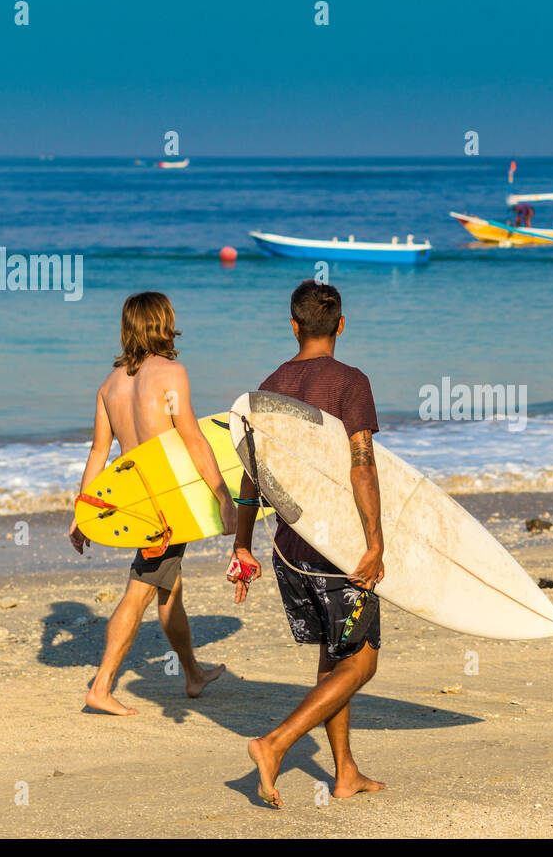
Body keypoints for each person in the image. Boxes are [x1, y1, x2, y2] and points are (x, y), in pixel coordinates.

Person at [228, 279, 385, 807]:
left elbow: (253, 470)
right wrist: (375, 542)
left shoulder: (269, 385)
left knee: (333, 657)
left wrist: (243, 545)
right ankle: (275, 744)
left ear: (294, 327)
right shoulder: (350, 381)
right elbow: (361, 465)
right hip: (335, 547)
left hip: (287, 548)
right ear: (340, 325)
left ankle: (344, 773)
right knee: (362, 663)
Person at [69, 291, 235, 716]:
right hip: (168, 503)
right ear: (164, 323)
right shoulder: (171, 374)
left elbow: (97, 454)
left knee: (169, 588)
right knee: (140, 590)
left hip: (134, 503)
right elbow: (193, 439)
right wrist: (222, 494)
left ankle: (193, 673)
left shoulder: (109, 386)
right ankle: (101, 687)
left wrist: (83, 510)